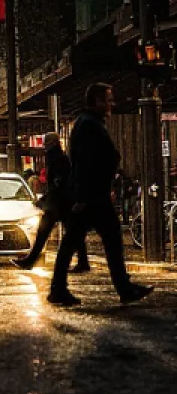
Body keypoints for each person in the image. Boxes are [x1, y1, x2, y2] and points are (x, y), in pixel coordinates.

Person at [49, 82, 153, 306]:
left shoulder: (87, 123)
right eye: (107, 99)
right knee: (100, 239)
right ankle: (121, 288)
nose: (111, 104)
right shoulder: (89, 125)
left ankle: (61, 288)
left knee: (80, 240)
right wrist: (85, 197)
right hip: (92, 196)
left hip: (91, 195)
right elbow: (87, 163)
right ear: (96, 102)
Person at [12, 132, 89, 272]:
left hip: (59, 203)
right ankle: (83, 262)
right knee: (71, 233)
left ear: (53, 143)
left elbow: (59, 183)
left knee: (46, 232)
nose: (45, 146)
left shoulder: (60, 159)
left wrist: (47, 198)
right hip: (60, 202)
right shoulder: (56, 159)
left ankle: (30, 260)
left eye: (47, 143)